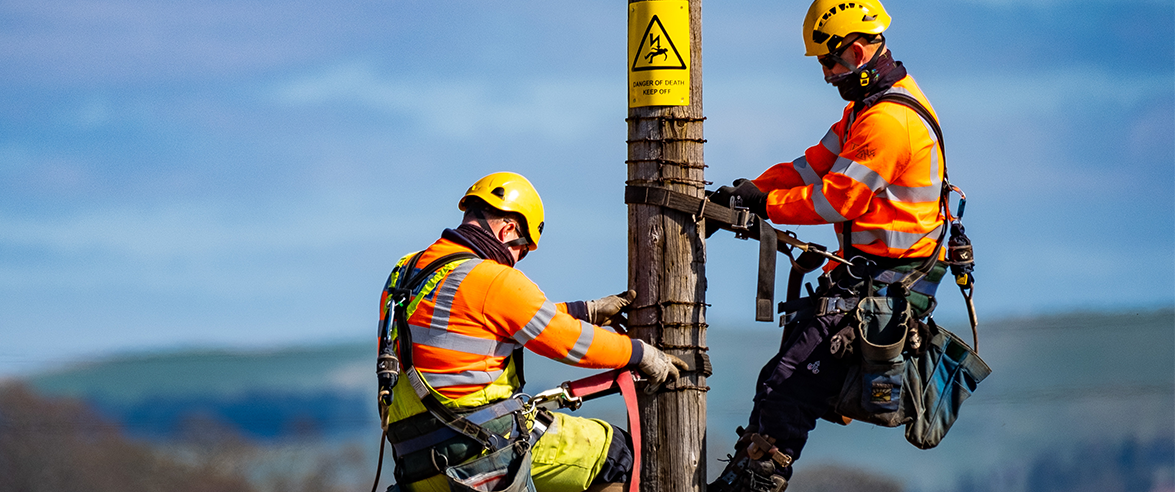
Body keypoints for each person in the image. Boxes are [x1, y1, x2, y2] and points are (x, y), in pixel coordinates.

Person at [706, 0, 950, 490]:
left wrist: (768, 207)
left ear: (857, 50)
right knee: (782, 380)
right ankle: (746, 477)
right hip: (869, 275)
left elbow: (840, 199)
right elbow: (812, 166)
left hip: (884, 282)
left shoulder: (888, 122)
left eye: (828, 61)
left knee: (789, 386)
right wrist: (749, 192)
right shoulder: (867, 110)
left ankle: (752, 483)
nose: (825, 73)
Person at [378, 171, 686, 492]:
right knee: (618, 455)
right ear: (509, 228)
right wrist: (640, 354)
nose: (518, 260)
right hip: (480, 448)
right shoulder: (493, 279)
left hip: (415, 464)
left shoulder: (405, 272)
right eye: (522, 249)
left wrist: (585, 311)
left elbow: (487, 322)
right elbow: (569, 342)